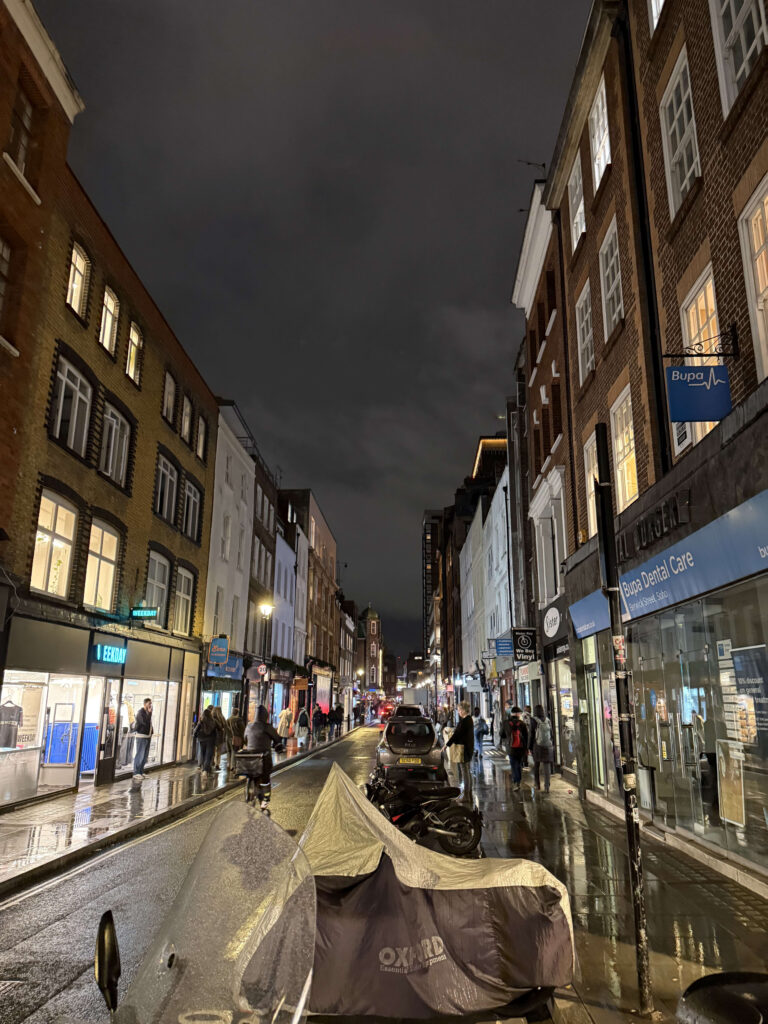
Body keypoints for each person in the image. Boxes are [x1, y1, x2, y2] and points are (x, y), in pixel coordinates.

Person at [242, 705, 284, 810]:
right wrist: (278, 746)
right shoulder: (267, 727)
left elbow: (245, 739)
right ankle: (266, 799)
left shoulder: (249, 726)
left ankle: (250, 791)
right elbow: (277, 739)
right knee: (266, 778)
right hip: (264, 757)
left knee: (250, 774)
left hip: (251, 757)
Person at [445, 700, 475, 801]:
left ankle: (466, 795)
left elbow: (457, 734)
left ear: (462, 710)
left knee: (465, 771)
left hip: (463, 749)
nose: (458, 712)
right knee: (466, 771)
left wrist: (447, 744)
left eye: (458, 710)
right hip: (467, 748)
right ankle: (468, 794)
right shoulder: (468, 720)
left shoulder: (465, 721)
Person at [505, 707, 529, 791]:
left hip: (510, 748)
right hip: (520, 748)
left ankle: (515, 781)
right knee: (518, 764)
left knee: (513, 764)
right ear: (518, 714)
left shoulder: (506, 723)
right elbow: (526, 736)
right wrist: (527, 748)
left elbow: (501, 734)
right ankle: (518, 781)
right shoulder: (522, 724)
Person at [531, 704, 554, 792]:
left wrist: (529, 747)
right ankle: (547, 787)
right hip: (547, 746)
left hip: (537, 746)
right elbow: (551, 734)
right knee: (546, 766)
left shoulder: (533, 720)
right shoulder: (548, 720)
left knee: (536, 765)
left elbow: (531, 735)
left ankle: (537, 785)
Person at [133, 698, 153, 780]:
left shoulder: (147, 713)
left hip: (147, 736)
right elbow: (145, 723)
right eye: (149, 703)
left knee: (145, 755)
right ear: (145, 704)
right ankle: (136, 772)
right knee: (140, 754)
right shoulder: (140, 712)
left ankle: (141, 771)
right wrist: (149, 714)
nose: (150, 705)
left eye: (151, 703)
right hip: (141, 736)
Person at [193, 706, 217, 774]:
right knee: (208, 754)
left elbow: (196, 730)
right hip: (210, 740)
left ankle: (204, 768)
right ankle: (206, 769)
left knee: (203, 754)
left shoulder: (201, 721)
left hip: (202, 739)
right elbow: (218, 729)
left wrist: (195, 736)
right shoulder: (213, 721)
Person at [227, 707, 246, 772]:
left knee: (229, 751)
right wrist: (244, 738)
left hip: (228, 737)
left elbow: (226, 729)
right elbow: (242, 730)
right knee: (235, 751)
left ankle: (229, 765)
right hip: (236, 737)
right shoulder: (238, 720)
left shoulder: (228, 719)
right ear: (237, 713)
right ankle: (233, 766)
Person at [210, 705, 229, 770]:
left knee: (212, 751)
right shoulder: (222, 718)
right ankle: (217, 764)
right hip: (220, 737)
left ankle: (211, 762)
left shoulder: (211, 717)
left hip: (212, 737)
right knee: (218, 752)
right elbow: (225, 728)